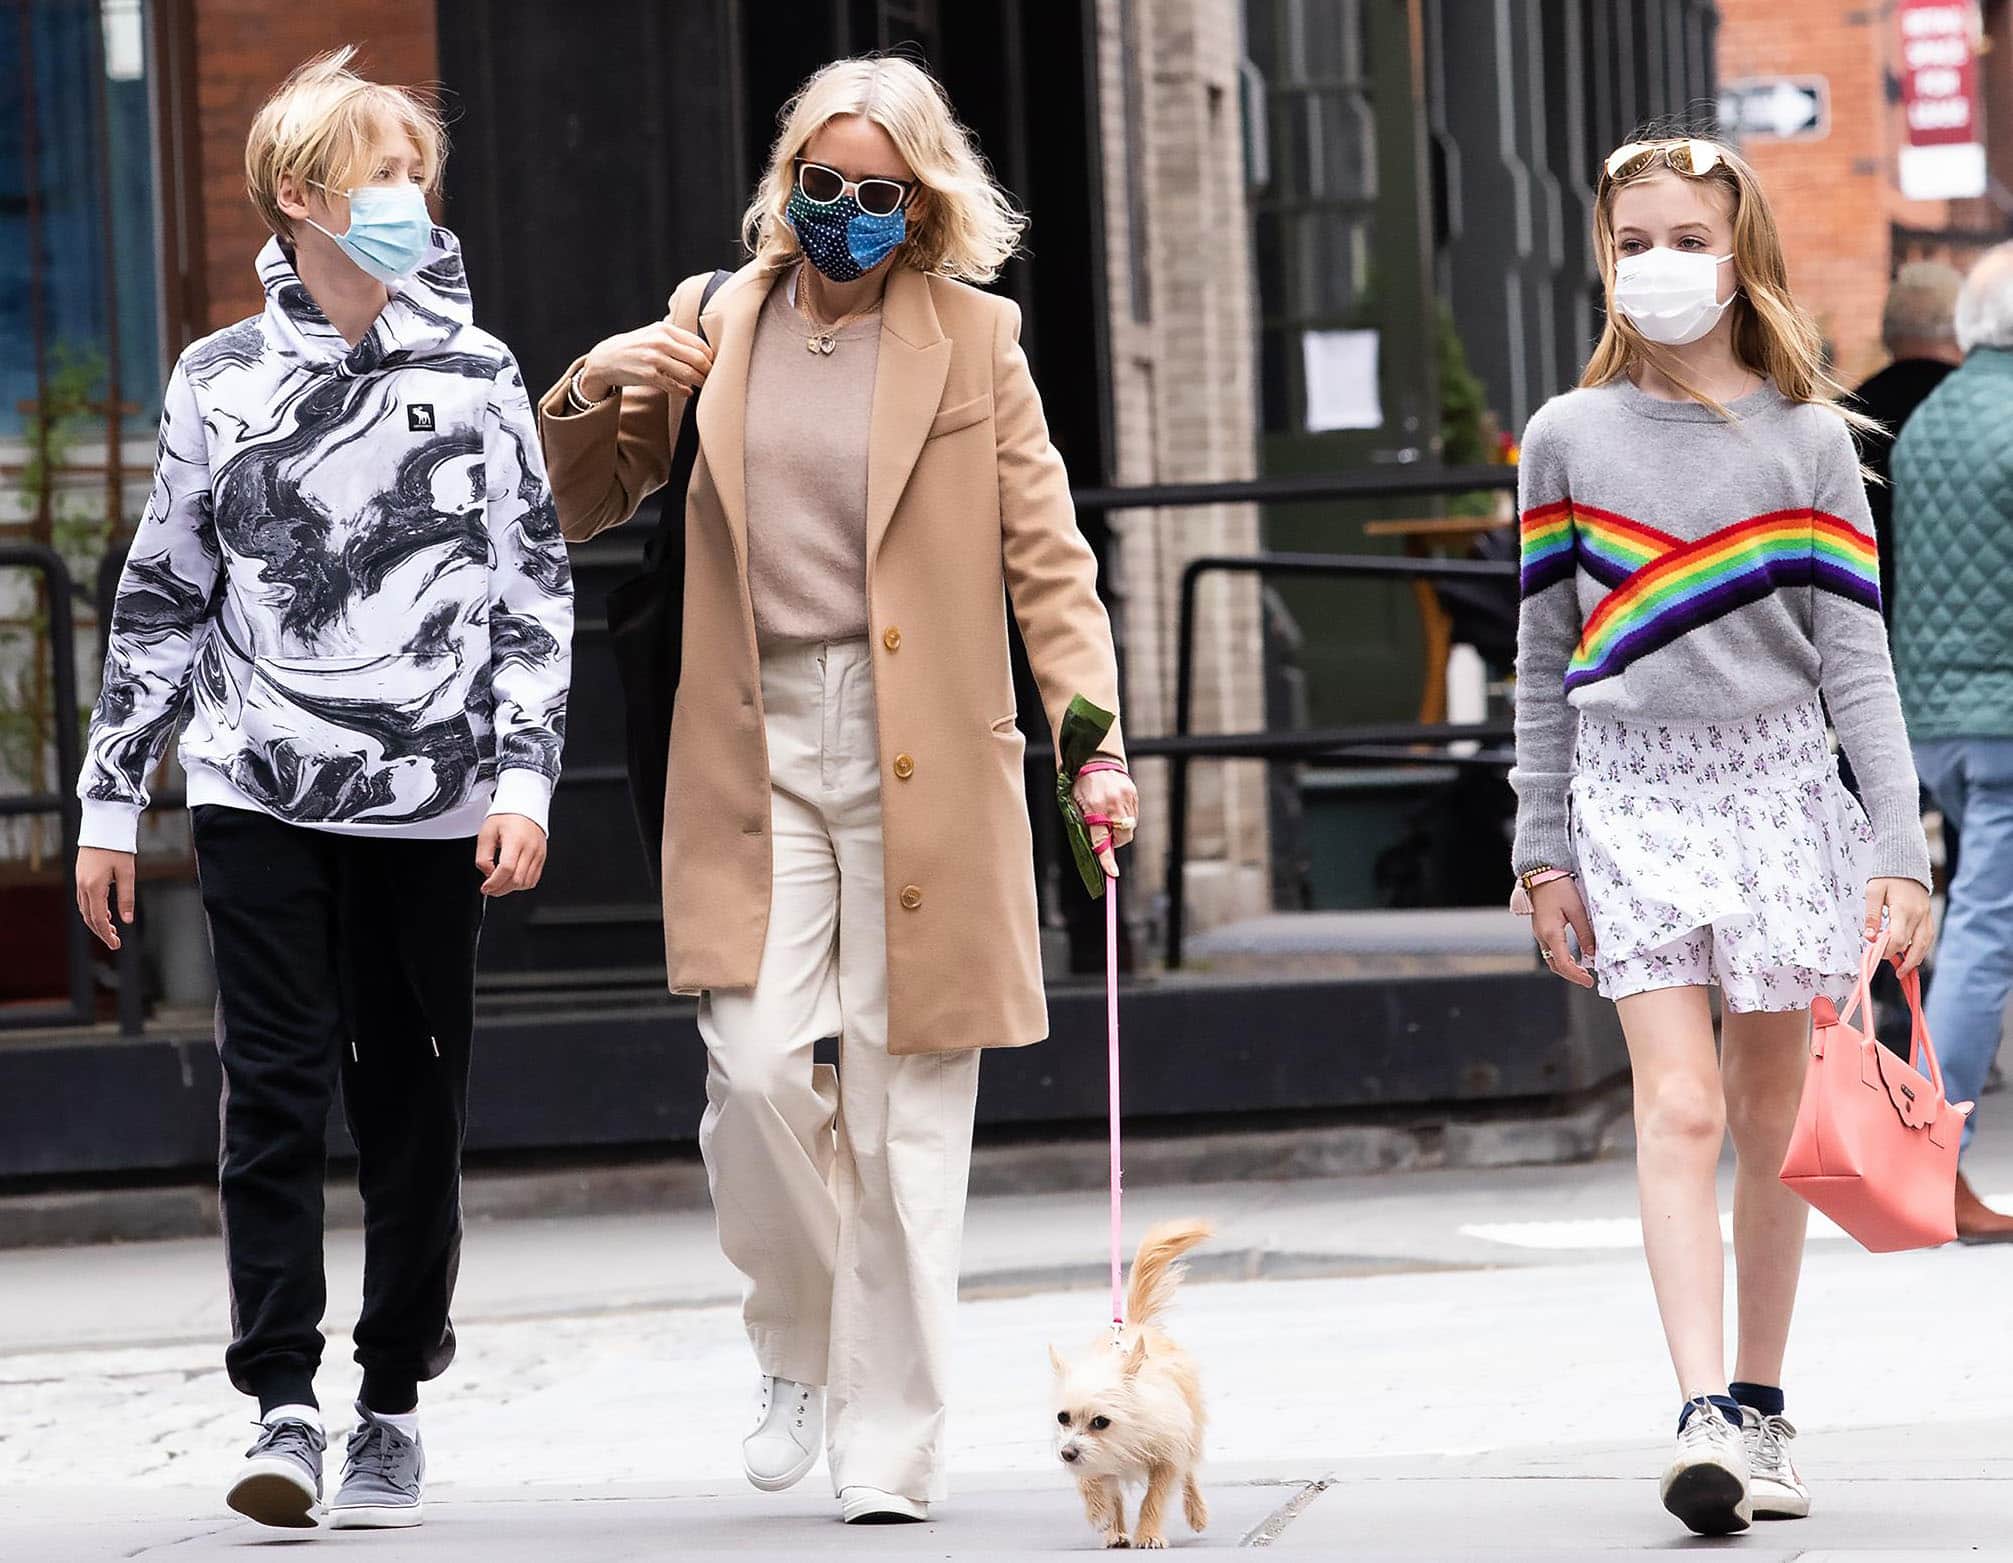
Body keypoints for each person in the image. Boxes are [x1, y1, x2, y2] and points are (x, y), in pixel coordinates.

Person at [537, 55, 1134, 1525]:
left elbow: (1048, 563)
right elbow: (569, 504)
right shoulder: (711, 319)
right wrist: (606, 375)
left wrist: (1093, 741)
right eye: (823, 185)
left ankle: (893, 1435)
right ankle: (795, 1341)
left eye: (879, 194)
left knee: (904, 1110)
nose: (846, 215)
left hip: (925, 739)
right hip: (751, 740)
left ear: (920, 202)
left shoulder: (975, 341)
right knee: (748, 1073)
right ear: (786, 178)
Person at [72, 50, 572, 1531]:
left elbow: (529, 596)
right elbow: (162, 593)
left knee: (413, 1101)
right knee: (274, 1090)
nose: (412, 198)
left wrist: (525, 778)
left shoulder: (478, 375)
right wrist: (114, 799)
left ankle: (392, 1397)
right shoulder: (218, 380)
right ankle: (280, 1400)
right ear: (302, 196)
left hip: (432, 799)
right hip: (254, 788)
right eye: (384, 173)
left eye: (420, 174)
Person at [1511, 134, 1932, 1537]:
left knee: (1766, 1119)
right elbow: (1540, 653)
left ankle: (1758, 1401)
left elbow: (1857, 659)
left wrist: (1897, 847)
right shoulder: (1565, 437)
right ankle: (1698, 1411)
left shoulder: (1810, 442)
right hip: (1629, 794)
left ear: (1737, 252)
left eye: (1685, 238)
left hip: (1777, 790)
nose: (1656, 266)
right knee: (1677, 1103)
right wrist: (1539, 845)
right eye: (1632, 239)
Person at [1891, 242, 2013, 1244]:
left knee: (1986, 915)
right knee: (1985, 930)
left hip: (1937, 717)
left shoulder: (1934, 419)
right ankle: (1930, 1160)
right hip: (2007, 717)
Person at [1843, 262, 1966, 1045]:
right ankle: (1954, 1012)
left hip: (1867, 662)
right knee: (1977, 846)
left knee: (1872, 838)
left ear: (1889, 333)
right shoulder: (1967, 413)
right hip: (1965, 667)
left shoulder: (1848, 414)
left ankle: (1886, 996)